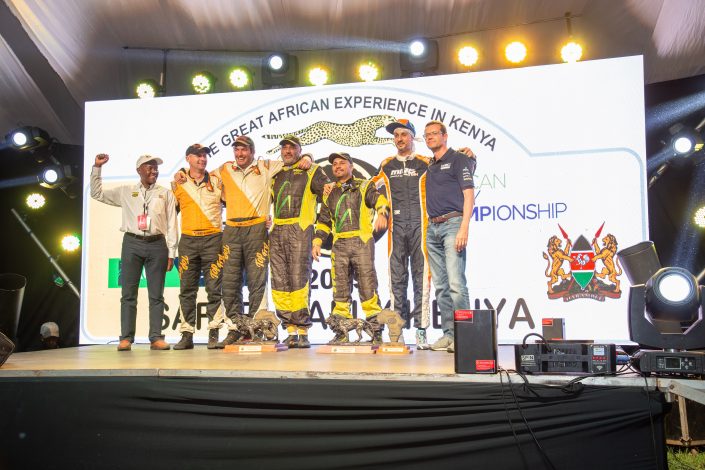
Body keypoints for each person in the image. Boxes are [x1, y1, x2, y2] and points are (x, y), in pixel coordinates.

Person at [208, 135, 313, 348]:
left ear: (252, 152)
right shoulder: (225, 168)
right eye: (237, 150)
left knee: (257, 281)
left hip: (256, 228)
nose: (240, 154)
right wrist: (183, 174)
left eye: (244, 150)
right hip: (231, 229)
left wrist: (309, 157)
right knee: (230, 282)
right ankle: (235, 328)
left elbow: (293, 159)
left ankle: (256, 328)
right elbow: (201, 178)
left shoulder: (265, 166)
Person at [91, 153, 177, 351]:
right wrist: (97, 168)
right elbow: (96, 194)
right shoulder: (126, 191)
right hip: (132, 243)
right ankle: (126, 338)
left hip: (158, 244)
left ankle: (156, 337)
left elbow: (172, 224)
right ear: (139, 170)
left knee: (157, 295)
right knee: (128, 294)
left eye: (156, 167)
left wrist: (171, 252)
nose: (154, 170)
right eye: (149, 167)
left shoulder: (166, 193)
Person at [313, 152, 389, 343]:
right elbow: (323, 221)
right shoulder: (329, 192)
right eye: (335, 164)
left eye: (342, 163)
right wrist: (317, 242)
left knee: (367, 286)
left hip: (361, 241)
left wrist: (382, 213)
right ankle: (341, 332)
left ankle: (375, 331)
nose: (338, 166)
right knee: (340, 290)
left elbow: (379, 199)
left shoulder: (364, 186)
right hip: (339, 245)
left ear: (351, 166)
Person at [373, 119, 432, 349]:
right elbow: (370, 188)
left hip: (421, 226)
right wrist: (382, 210)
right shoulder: (386, 165)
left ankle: (421, 331)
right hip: (395, 230)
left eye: (404, 134)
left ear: (413, 137)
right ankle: (397, 332)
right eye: (396, 135)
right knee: (396, 280)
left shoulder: (426, 163)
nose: (399, 139)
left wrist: (470, 156)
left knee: (422, 280)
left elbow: (451, 165)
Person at [270, 135, 330, 348]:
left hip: (300, 230)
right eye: (284, 148)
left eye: (292, 148)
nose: (287, 151)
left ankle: (303, 331)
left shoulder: (312, 170)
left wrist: (319, 237)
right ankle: (290, 330)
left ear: (299, 149)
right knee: (279, 283)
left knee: (299, 282)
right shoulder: (274, 172)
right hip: (277, 231)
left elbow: (329, 201)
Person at [423, 121, 476, 352]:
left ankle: (465, 336)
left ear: (445, 136)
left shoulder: (459, 159)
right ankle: (449, 334)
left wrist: (464, 227)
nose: (430, 138)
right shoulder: (429, 165)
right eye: (426, 135)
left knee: (456, 283)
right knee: (441, 286)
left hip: (453, 223)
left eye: (434, 134)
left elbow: (469, 195)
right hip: (432, 227)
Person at [171, 144, 225, 350]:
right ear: (188, 158)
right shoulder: (178, 183)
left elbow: (237, 202)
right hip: (188, 241)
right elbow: (168, 215)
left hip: (213, 239)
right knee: (186, 289)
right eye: (198, 156)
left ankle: (214, 332)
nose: (202, 159)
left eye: (204, 156)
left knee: (214, 288)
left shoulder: (218, 181)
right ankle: (186, 334)